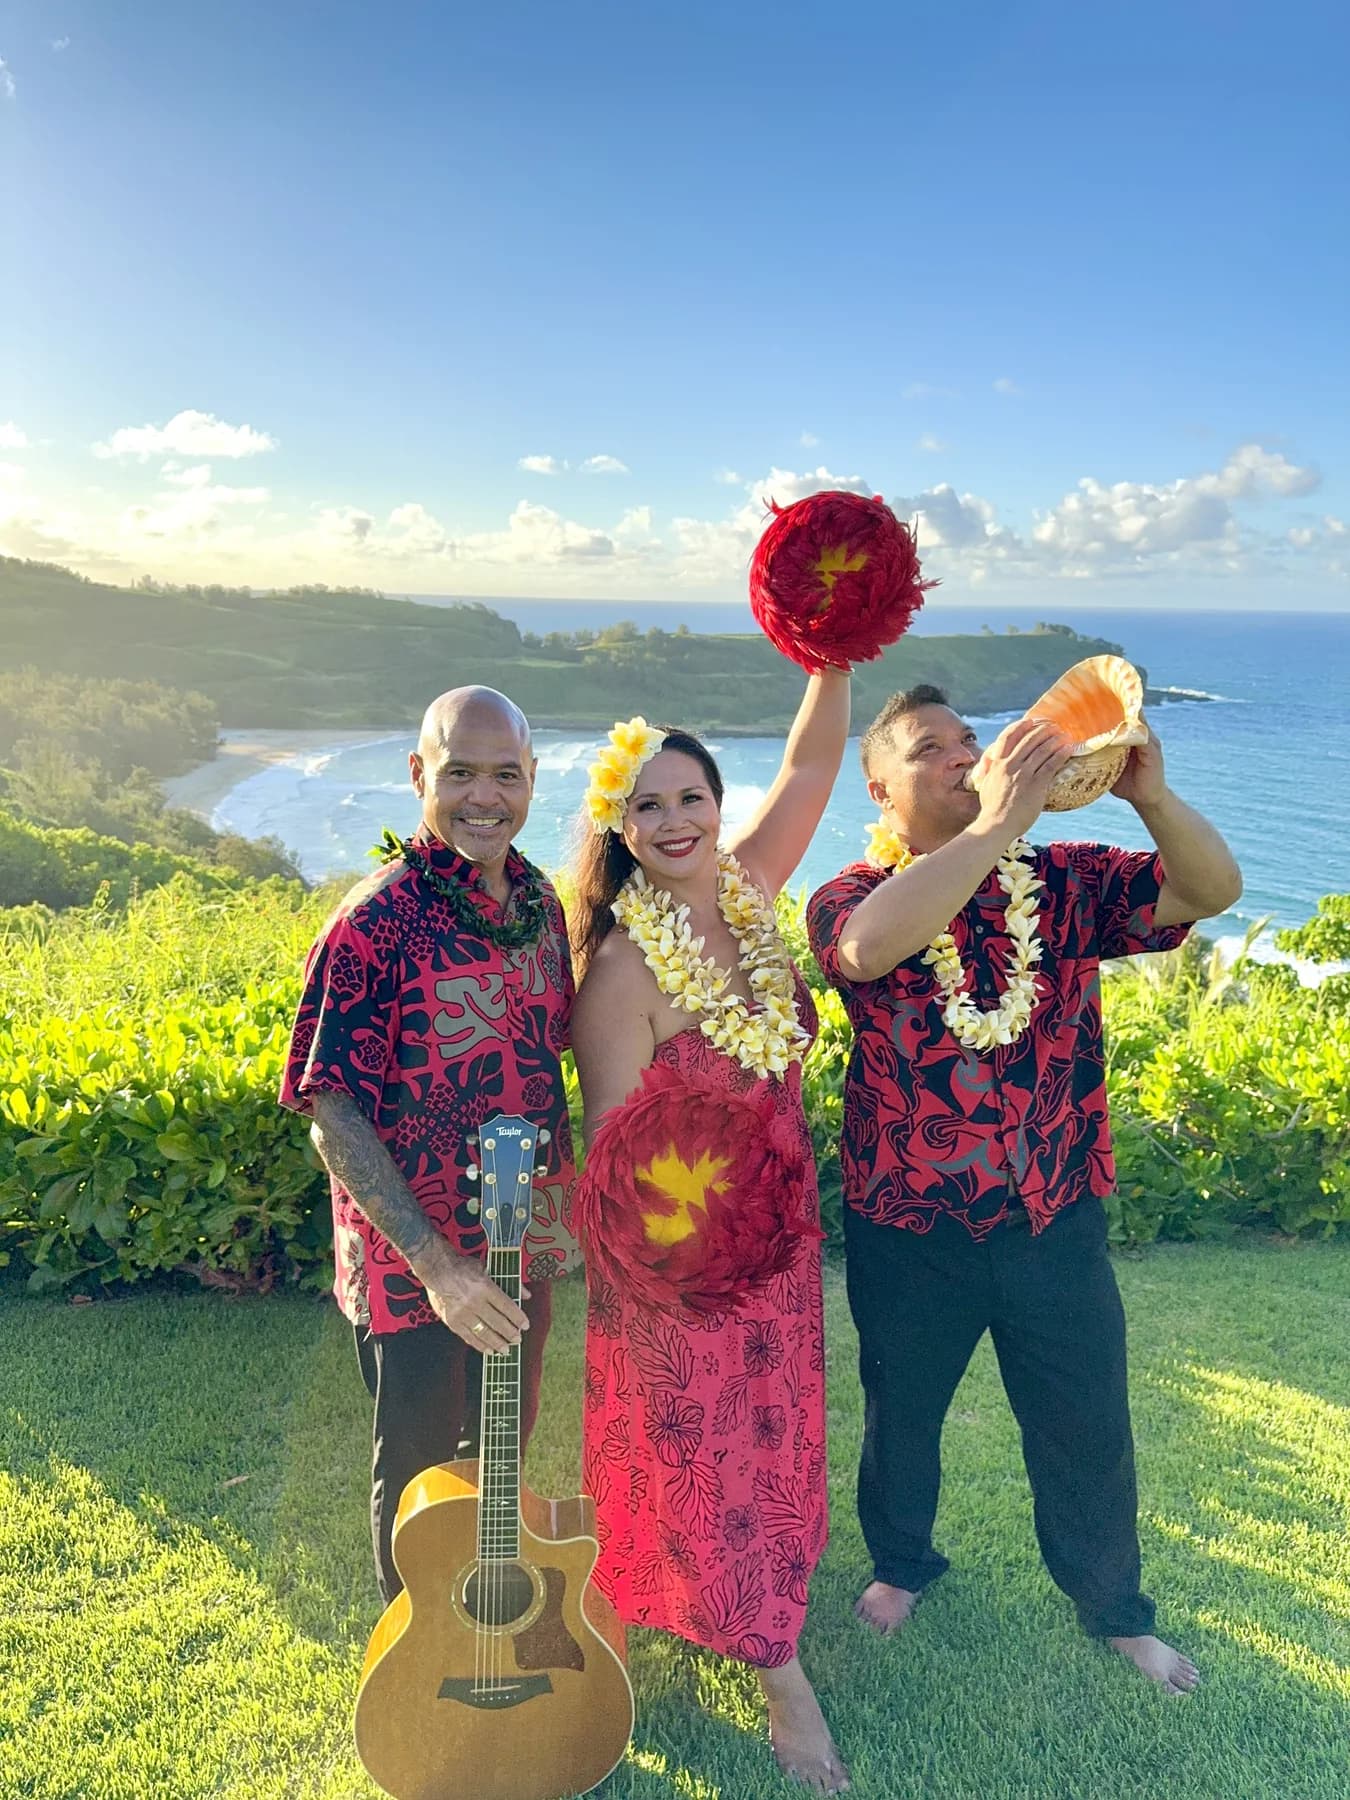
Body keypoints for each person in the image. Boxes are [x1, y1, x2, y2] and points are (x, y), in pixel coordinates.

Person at [806, 684, 1242, 1695]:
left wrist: (1151, 797)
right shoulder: (850, 894)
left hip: (1055, 1217)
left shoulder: (1062, 882)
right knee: (902, 1414)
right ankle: (901, 1564)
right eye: (931, 747)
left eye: (970, 738)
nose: (964, 754)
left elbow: (1211, 890)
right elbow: (867, 950)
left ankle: (1115, 1611)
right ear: (880, 787)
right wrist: (998, 819)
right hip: (909, 1225)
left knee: (1087, 1425)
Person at [569, 668, 852, 1795]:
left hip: (779, 1246)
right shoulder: (621, 972)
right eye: (648, 806)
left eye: (692, 797)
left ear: (718, 807)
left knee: (769, 1447)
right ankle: (782, 1680)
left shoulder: (750, 894)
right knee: (706, 1458)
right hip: (680, 1267)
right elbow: (613, 1159)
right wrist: (691, 1264)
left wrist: (832, 650)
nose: (675, 820)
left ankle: (724, 1603)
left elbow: (814, 765)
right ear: (619, 826)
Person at [279, 686, 578, 1604]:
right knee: (417, 1474)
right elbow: (332, 1110)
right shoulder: (373, 922)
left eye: (506, 775)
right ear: (419, 774)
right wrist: (438, 1267)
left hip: (521, 1240)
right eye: (460, 773)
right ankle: (417, 1655)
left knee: (500, 1451)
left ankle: (484, 1622)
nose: (484, 797)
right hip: (418, 1267)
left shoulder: (539, 902)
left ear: (533, 779)